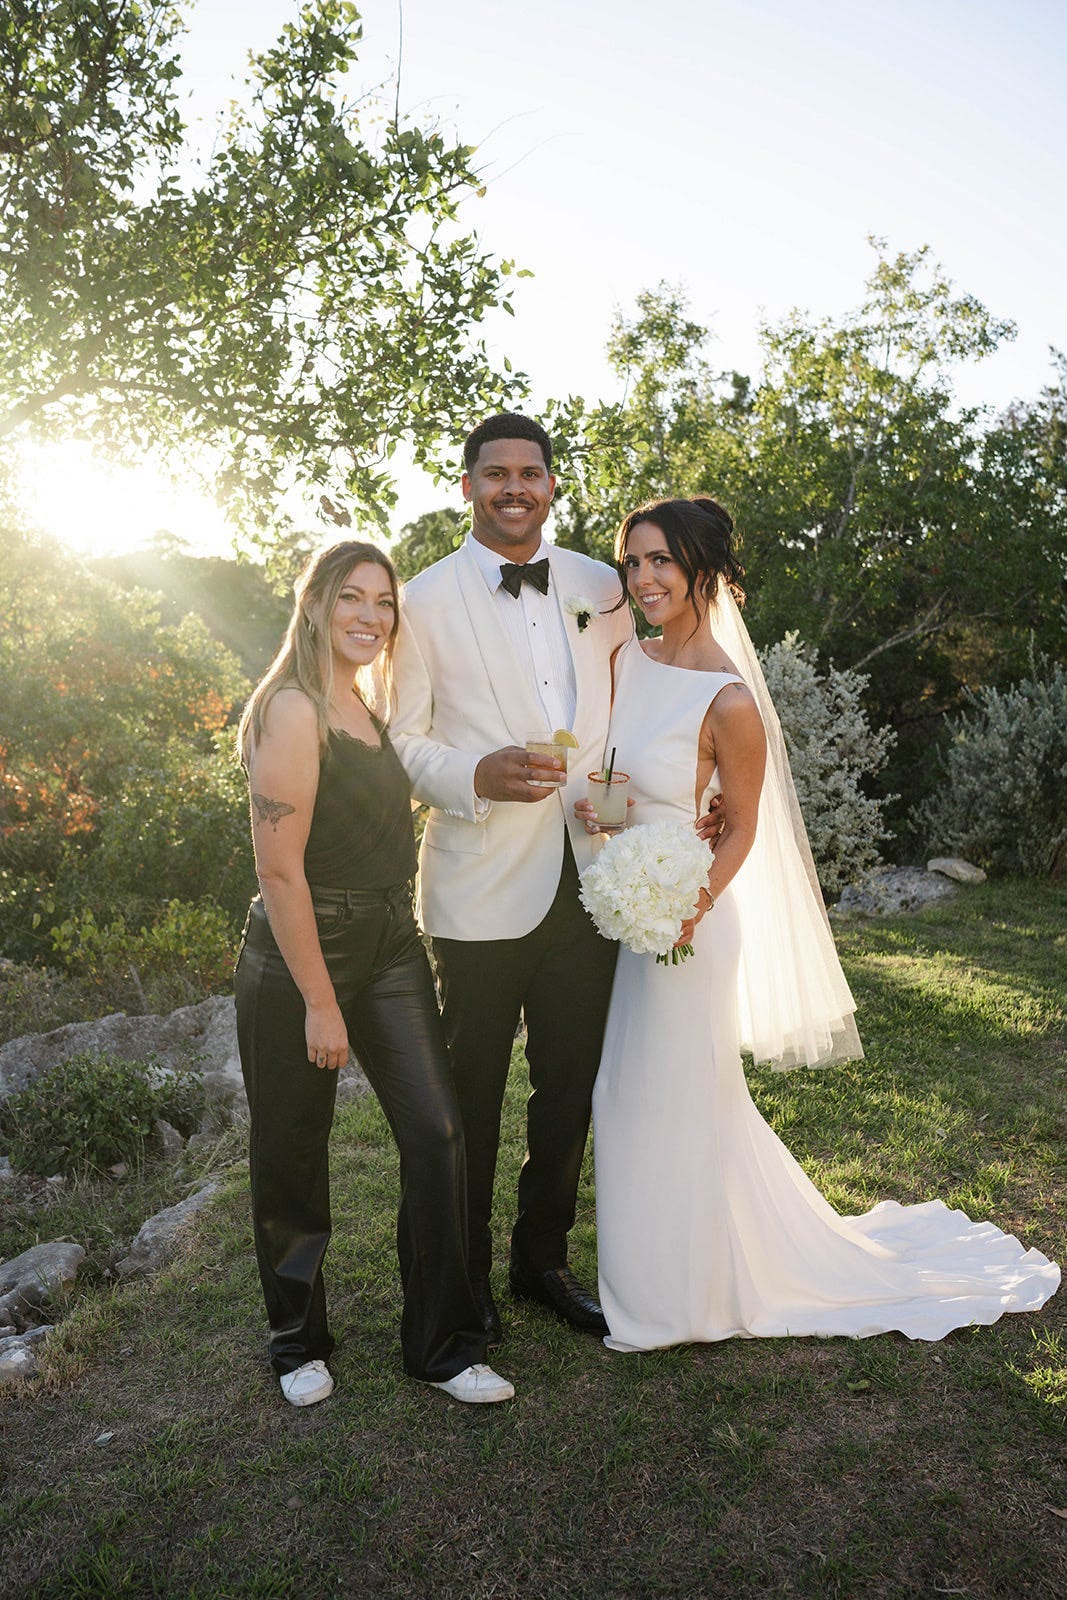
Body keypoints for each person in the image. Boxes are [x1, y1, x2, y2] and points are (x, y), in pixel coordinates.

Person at [583, 496, 1060, 1351]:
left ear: (701, 570)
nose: (643, 578)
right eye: (632, 561)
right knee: (623, 1097)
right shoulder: (626, 660)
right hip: (632, 908)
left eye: (660, 561)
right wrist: (607, 828)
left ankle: (684, 1302)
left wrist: (689, 905)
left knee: (672, 1099)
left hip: (689, 924)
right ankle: (658, 1280)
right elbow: (625, 779)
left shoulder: (729, 699)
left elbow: (740, 827)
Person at [233, 540, 514, 1406]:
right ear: (314, 604)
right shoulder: (290, 708)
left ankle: (442, 1346)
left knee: (438, 1133)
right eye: (351, 597)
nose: (370, 615)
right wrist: (320, 1003)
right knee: (292, 1147)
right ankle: (296, 1343)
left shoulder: (366, 702)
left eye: (383, 601)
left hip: (392, 940)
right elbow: (278, 871)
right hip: (302, 948)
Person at [390, 413, 636, 1343]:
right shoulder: (420, 602)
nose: (513, 489)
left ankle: (541, 1262)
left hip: (590, 879)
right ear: (467, 487)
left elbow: (626, 714)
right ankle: (460, 1278)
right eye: (495, 474)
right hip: (477, 886)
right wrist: (474, 776)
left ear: (551, 484)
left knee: (567, 1089)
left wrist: (624, 806)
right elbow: (400, 740)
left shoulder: (601, 586)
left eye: (529, 473)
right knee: (468, 1100)